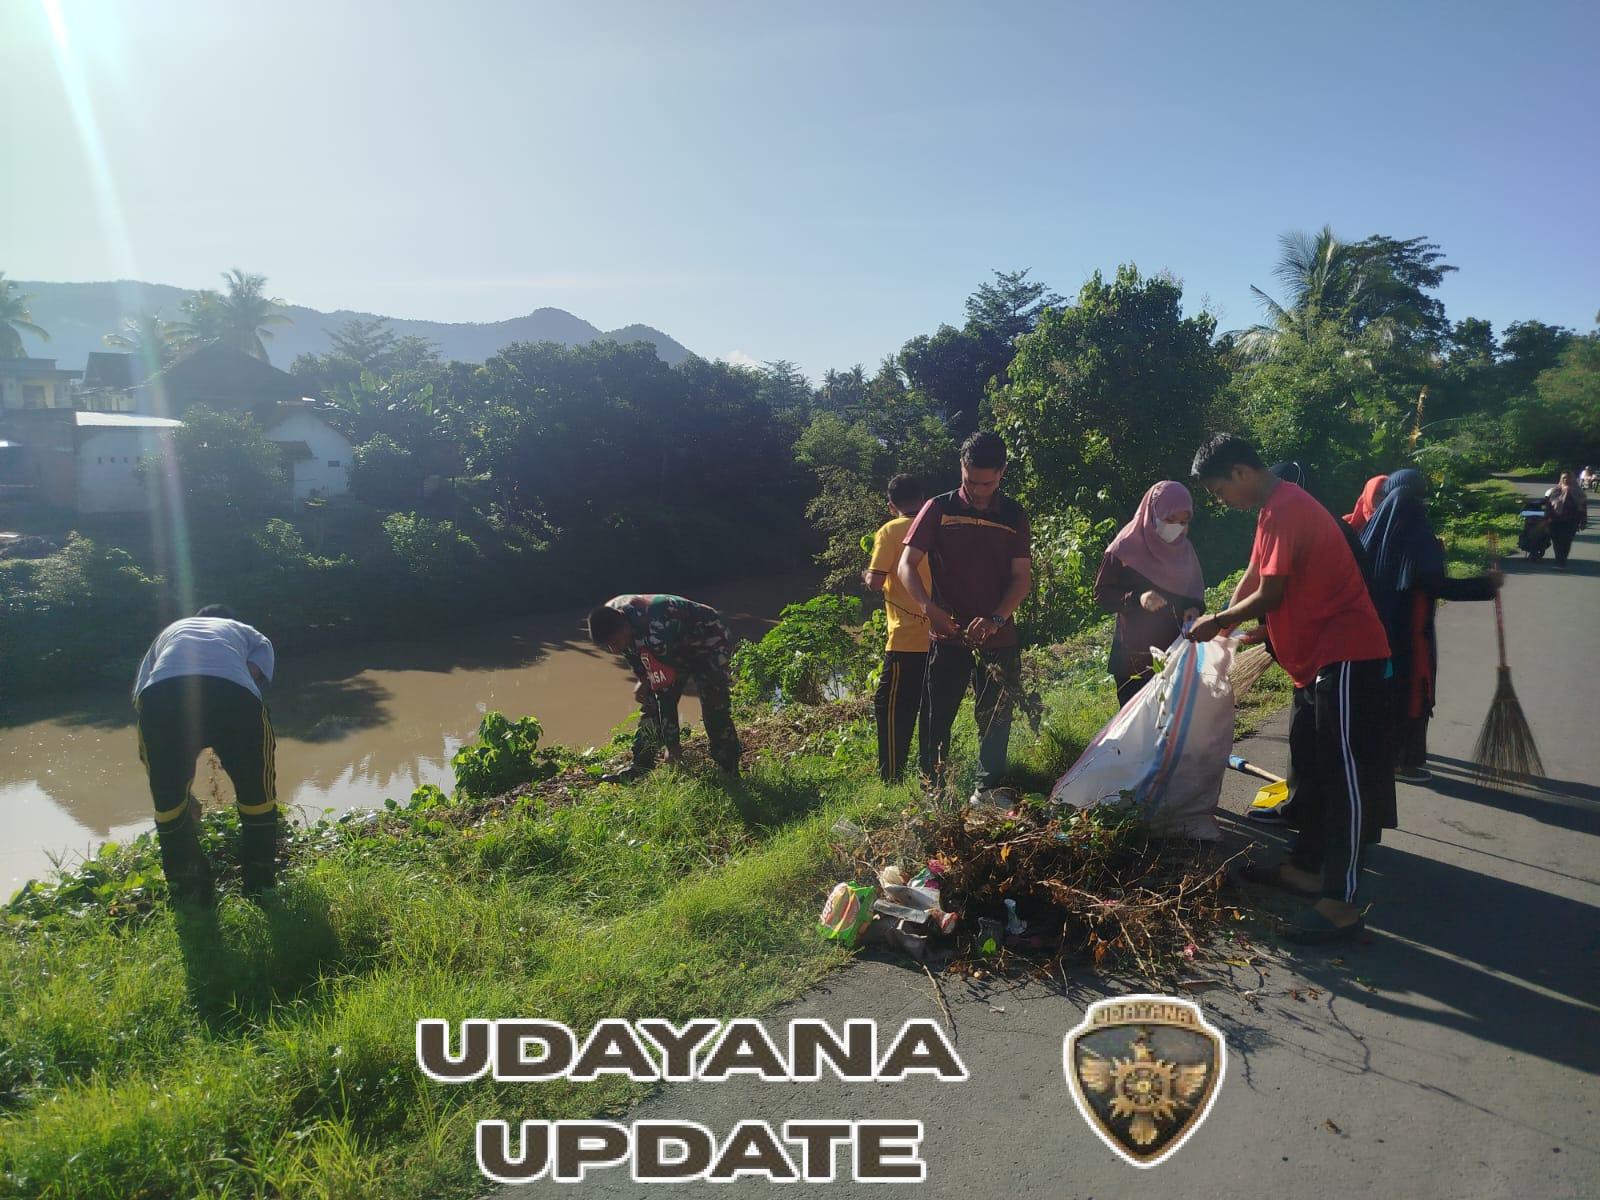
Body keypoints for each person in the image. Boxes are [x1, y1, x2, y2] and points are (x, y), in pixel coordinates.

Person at [1187, 435, 1391, 943]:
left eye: (1218, 490)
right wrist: (1231, 629)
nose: (1220, 501)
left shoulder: (1286, 507)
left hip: (1344, 655)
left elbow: (1270, 593)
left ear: (1239, 472)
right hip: (1315, 659)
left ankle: (1342, 904)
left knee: (1345, 777)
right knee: (1317, 769)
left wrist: (1220, 621)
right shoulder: (1269, 511)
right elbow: (1256, 577)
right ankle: (1307, 868)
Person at [898, 431, 1032, 803]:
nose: (976, 490)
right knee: (936, 718)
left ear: (1002, 472)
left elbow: (1022, 578)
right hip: (948, 633)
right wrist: (929, 608)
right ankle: (934, 793)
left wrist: (997, 618)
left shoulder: (1013, 515)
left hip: (997, 635)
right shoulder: (938, 509)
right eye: (970, 481)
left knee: (995, 717)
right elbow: (907, 565)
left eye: (986, 483)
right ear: (961, 468)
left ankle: (987, 789)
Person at [1360, 468, 1501, 783]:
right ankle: (1402, 762)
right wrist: (1486, 585)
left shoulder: (1370, 533)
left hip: (1376, 632)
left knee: (1384, 689)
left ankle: (1383, 755)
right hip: (1412, 633)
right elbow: (1434, 584)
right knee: (1414, 690)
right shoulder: (1419, 533)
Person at [132, 605, 279, 905]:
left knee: (168, 800)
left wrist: (175, 785)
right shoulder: (245, 631)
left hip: (162, 698)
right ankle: (260, 886)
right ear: (228, 620)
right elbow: (255, 670)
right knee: (258, 793)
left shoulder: (169, 632)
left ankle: (190, 892)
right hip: (232, 694)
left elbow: (142, 693)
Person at [587, 594, 741, 779]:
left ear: (624, 624)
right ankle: (640, 767)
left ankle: (729, 768)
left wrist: (673, 746)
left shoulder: (655, 629)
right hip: (673, 643)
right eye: (609, 646)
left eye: (615, 643)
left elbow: (666, 695)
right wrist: (643, 678)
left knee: (713, 705)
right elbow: (633, 653)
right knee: (650, 703)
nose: (615, 650)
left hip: (707, 640)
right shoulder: (615, 621)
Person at [1093, 481, 1205, 706]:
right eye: (1170, 520)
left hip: (1175, 654)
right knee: (1139, 732)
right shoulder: (1123, 549)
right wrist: (1137, 598)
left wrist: (1194, 609)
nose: (1177, 528)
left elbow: (1194, 594)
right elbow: (1102, 594)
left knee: (1175, 729)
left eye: (1184, 522)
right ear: (1152, 514)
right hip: (1133, 659)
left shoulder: (1184, 550)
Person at [863, 474, 933, 781]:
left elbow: (876, 581)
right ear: (922, 499)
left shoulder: (890, 531)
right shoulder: (937, 526)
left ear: (891, 506)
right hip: (942, 635)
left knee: (890, 708)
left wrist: (864, 575)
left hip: (906, 638)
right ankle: (931, 772)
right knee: (932, 709)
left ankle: (891, 777)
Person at [1544, 471, 1588, 569]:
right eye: (1564, 478)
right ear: (1561, 479)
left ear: (1573, 479)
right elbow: (1548, 506)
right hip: (1555, 521)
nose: (1566, 480)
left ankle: (1561, 562)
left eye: (1568, 478)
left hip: (1571, 521)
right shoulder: (1554, 491)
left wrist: (1583, 522)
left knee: (1566, 541)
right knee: (1556, 541)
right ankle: (1559, 560)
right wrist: (1546, 519)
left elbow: (1583, 509)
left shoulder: (1579, 493)